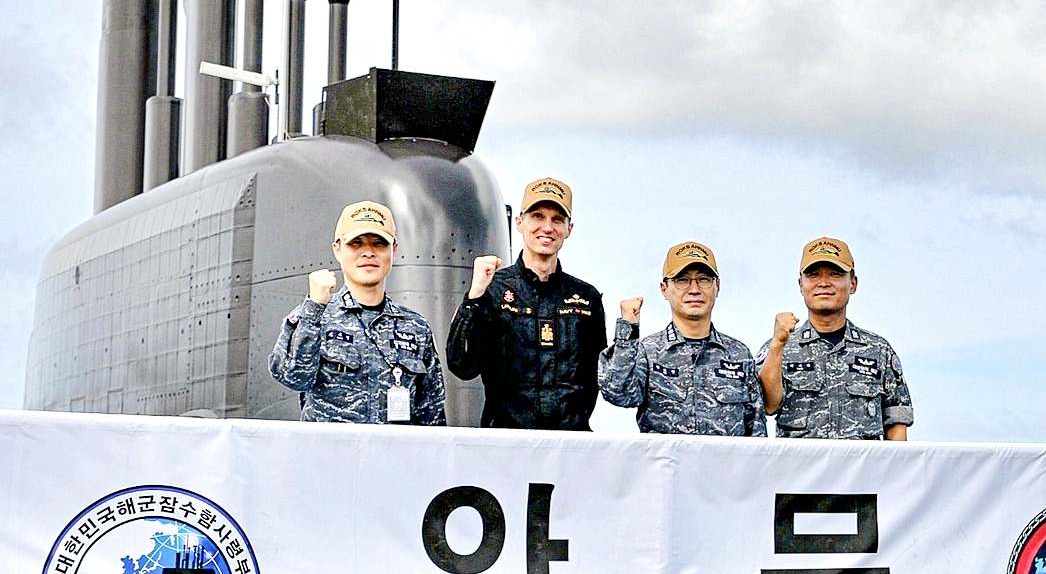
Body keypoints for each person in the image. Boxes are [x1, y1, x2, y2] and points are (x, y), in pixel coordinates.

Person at [446, 177, 606, 430]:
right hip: (508, 444)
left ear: (569, 229)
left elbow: (597, 378)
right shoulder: (492, 288)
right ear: (520, 223)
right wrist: (474, 298)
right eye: (538, 216)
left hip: (571, 445)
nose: (547, 227)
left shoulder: (586, 297)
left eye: (557, 219)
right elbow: (462, 365)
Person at [269, 201, 447, 425]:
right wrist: (314, 308)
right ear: (337, 250)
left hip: (393, 457)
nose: (368, 253)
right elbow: (292, 377)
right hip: (330, 455)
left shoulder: (415, 328)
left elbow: (431, 414)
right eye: (356, 243)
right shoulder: (314, 318)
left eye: (379, 243)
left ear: (394, 251)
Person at [598, 241, 766, 436]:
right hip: (666, 465)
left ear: (717, 286)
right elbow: (619, 394)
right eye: (682, 280)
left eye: (703, 279)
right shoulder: (648, 351)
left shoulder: (738, 354)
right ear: (664, 289)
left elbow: (756, 429)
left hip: (725, 466)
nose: (694, 289)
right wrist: (628, 330)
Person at [756, 237, 912, 440]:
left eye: (835, 274)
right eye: (813, 275)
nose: (823, 283)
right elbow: (768, 406)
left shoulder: (878, 350)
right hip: (800, 470)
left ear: (853, 284)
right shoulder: (779, 348)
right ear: (801, 285)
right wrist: (777, 345)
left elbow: (896, 422)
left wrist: (895, 470)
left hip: (862, 471)